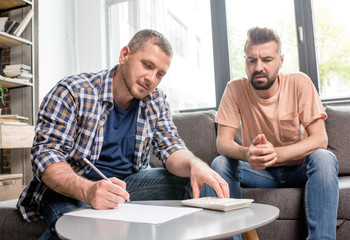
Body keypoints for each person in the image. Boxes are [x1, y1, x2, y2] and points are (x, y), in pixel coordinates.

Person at [17, 29, 229, 239]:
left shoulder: (156, 101)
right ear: (124, 55)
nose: (151, 79)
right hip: (72, 188)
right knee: (90, 230)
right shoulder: (73, 90)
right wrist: (89, 191)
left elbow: (171, 147)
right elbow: (46, 156)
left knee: (198, 183)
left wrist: (195, 165)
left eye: (160, 74)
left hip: (126, 187)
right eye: (147, 65)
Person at [209, 27, 339, 239]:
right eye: (252, 60)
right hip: (259, 173)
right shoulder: (234, 89)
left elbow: (320, 139)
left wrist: (277, 154)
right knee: (219, 164)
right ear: (245, 61)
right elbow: (222, 143)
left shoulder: (300, 83)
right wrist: (248, 154)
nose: (258, 67)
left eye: (267, 60)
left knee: (324, 158)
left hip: (298, 169)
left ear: (281, 60)